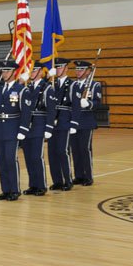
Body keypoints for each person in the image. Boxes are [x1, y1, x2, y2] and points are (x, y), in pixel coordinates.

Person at [0, 60, 31, 201]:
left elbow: (26, 112)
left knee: (10, 159)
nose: (4, 74)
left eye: (6, 71)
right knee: (1, 160)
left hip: (13, 128)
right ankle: (5, 190)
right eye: (2, 71)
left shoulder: (22, 90)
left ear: (14, 72)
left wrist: (23, 129)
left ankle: (14, 189)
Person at [21, 62, 56, 196]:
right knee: (28, 157)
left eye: (34, 70)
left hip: (39, 126)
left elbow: (51, 110)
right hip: (26, 127)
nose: (32, 73)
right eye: (30, 70)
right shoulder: (26, 87)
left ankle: (41, 185)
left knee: (37, 157)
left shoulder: (47, 88)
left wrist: (49, 127)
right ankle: (33, 185)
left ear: (41, 72)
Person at [70, 60, 102, 186]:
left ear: (89, 71)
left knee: (85, 149)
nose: (78, 72)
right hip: (73, 121)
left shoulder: (94, 85)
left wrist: (89, 104)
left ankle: (88, 176)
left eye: (81, 69)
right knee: (75, 149)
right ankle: (78, 176)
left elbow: (98, 103)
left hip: (86, 122)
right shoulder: (73, 85)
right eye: (77, 69)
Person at [48, 58, 75, 192]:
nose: (58, 70)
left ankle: (68, 180)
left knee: (62, 152)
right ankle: (57, 181)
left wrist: (74, 123)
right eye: (56, 67)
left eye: (60, 67)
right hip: (52, 123)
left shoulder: (72, 84)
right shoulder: (51, 84)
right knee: (52, 152)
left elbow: (75, 106)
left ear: (66, 69)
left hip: (64, 122)